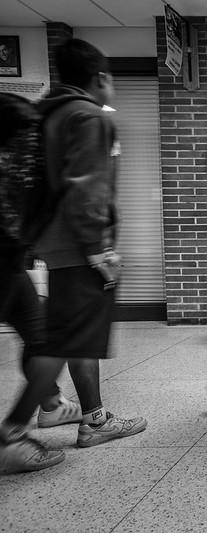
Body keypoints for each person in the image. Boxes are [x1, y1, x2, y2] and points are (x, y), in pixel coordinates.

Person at [34, 39, 148, 449]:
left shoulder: (48, 115)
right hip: (81, 247)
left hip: (54, 244)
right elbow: (88, 190)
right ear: (101, 78)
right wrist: (100, 250)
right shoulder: (90, 118)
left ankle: (50, 405)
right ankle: (93, 420)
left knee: (67, 332)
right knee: (79, 336)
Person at [0, 93, 77, 473]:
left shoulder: (22, 165)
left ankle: (45, 407)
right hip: (5, 262)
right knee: (52, 340)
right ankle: (10, 437)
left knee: (50, 340)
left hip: (11, 264)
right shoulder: (15, 165)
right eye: (28, 133)